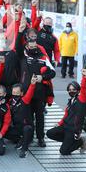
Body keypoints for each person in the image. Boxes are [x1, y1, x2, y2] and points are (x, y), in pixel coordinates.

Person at [15, 19, 56, 148]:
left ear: (37, 46)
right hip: (26, 92)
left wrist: (42, 77)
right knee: (26, 117)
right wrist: (20, 32)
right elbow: (17, 46)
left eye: (34, 46)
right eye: (29, 45)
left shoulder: (43, 57)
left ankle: (40, 138)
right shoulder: (23, 55)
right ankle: (27, 137)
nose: (32, 48)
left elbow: (53, 72)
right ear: (26, 46)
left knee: (40, 117)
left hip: (39, 93)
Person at [46, 69, 86, 155]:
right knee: (49, 133)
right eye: (69, 90)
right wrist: (59, 123)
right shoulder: (70, 101)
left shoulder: (81, 99)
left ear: (78, 90)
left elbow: (84, 88)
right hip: (65, 126)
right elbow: (66, 114)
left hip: (73, 129)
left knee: (63, 152)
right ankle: (68, 141)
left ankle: (80, 142)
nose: (71, 91)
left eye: (73, 89)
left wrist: (85, 77)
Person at [5, 80, 37, 158]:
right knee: (3, 130)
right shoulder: (10, 102)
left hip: (26, 128)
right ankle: (20, 139)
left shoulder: (24, 100)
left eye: (17, 93)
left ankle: (24, 149)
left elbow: (30, 92)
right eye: (13, 93)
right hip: (17, 128)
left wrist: (32, 84)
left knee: (27, 128)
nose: (15, 95)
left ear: (22, 93)